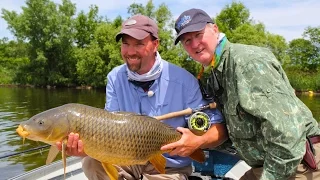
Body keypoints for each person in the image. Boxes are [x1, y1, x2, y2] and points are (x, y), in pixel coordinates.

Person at [56, 14, 228, 180]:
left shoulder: (185, 81)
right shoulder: (114, 78)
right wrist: (88, 148)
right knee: (90, 163)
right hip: (125, 159)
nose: (130, 51)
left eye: (138, 44)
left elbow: (218, 129)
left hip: (169, 165)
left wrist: (197, 141)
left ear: (155, 44)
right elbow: (107, 129)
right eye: (125, 44)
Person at [162, 8, 320, 180]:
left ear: (215, 29)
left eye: (199, 35)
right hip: (266, 164)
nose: (194, 44)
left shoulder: (247, 63)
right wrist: (195, 140)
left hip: (297, 164)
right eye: (187, 41)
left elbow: (288, 137)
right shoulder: (215, 72)